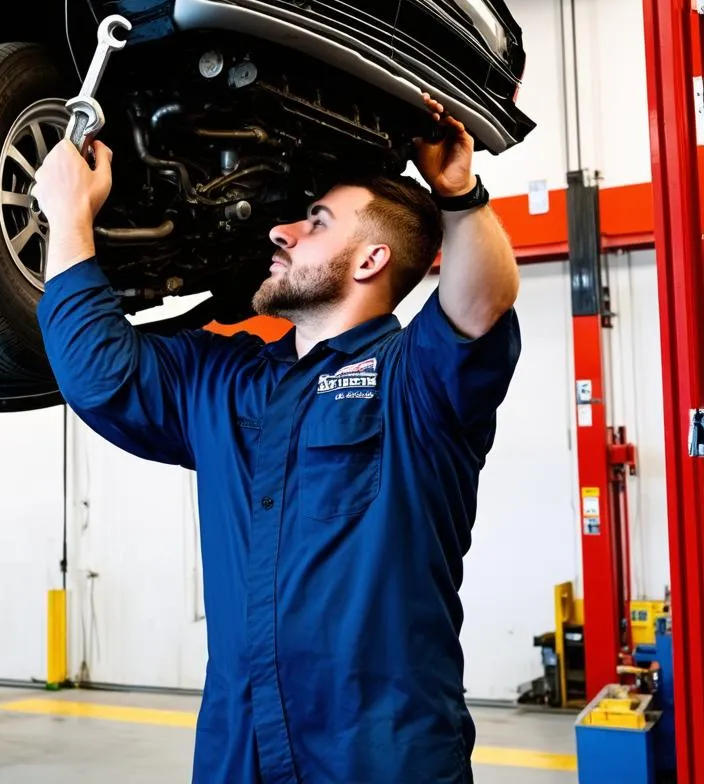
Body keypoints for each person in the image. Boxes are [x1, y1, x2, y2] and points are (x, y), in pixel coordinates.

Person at [32, 94, 522, 784]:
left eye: (316, 223)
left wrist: (458, 193)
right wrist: (69, 218)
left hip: (380, 760)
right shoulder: (224, 379)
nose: (283, 232)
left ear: (370, 259)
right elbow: (99, 375)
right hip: (241, 753)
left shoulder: (416, 383)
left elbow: (482, 302)